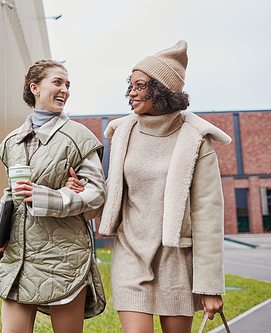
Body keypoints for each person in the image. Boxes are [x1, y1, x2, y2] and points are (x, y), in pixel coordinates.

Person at [68, 40, 231, 332]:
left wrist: (210, 285)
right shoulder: (123, 132)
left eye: (140, 86)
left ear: (161, 90)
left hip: (176, 261)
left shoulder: (195, 139)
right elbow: (115, 196)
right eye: (130, 85)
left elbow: (208, 215)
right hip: (130, 256)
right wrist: (85, 191)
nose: (131, 93)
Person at [0, 59, 106, 333]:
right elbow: (10, 194)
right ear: (35, 88)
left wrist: (49, 197)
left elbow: (97, 193)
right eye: (57, 82)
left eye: (67, 85)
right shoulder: (11, 142)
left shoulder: (79, 136)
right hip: (18, 257)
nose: (64, 90)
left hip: (63, 257)